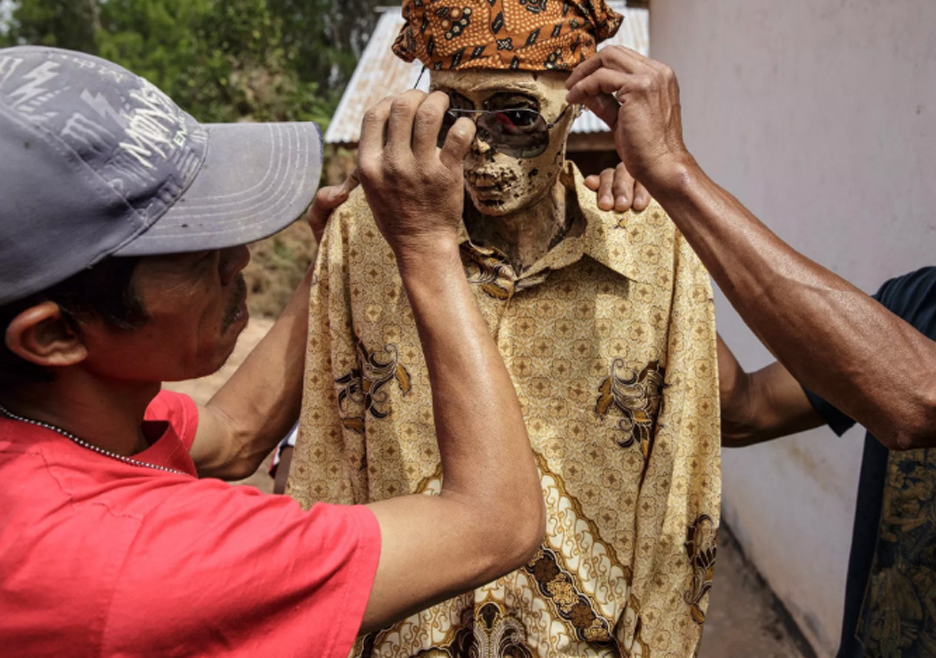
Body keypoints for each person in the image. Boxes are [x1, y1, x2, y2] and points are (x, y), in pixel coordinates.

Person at [287, 0, 722, 657]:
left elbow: (681, 488)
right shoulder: (365, 236)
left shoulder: (653, 247)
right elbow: (324, 451)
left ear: (577, 108)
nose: (477, 148)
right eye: (455, 113)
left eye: (516, 115)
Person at [0, 45, 545, 655]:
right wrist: (425, 242)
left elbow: (235, 435)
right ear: (53, 336)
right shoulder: (144, 558)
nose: (240, 259)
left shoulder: (58, 426)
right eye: (192, 255)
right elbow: (498, 524)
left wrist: (330, 262)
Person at [568, 12, 936, 656]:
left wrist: (677, 174)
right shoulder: (920, 301)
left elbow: (923, 397)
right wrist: (642, 247)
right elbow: (744, 411)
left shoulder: (923, 355)